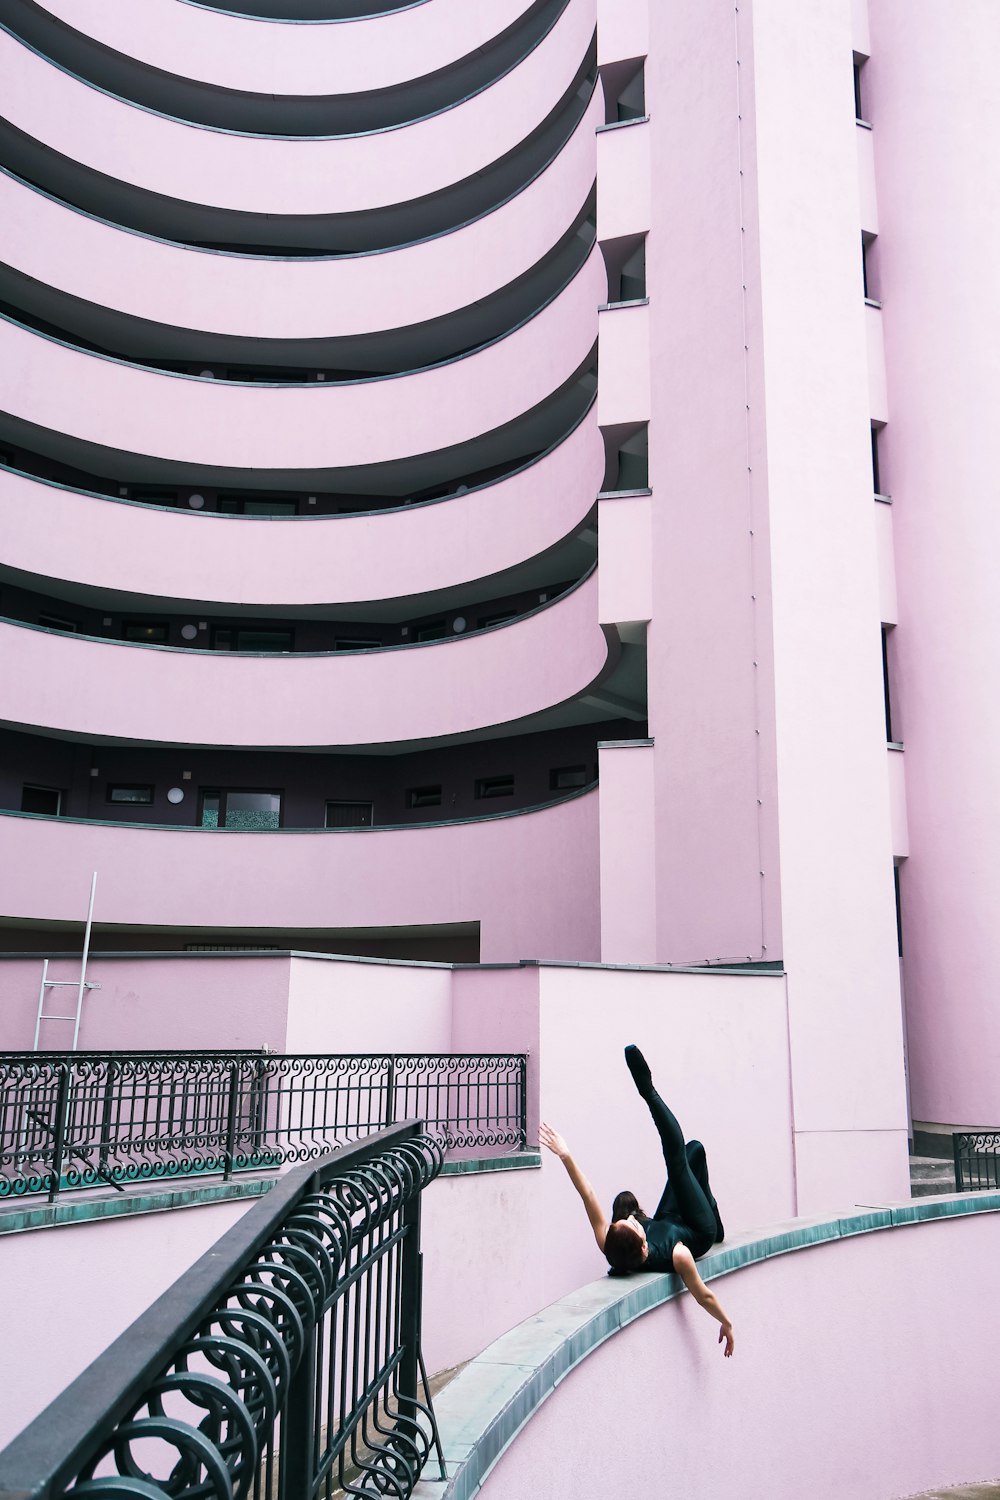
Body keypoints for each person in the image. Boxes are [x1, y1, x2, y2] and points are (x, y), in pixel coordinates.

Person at [540, 1044, 735, 1357]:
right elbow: (703, 1296)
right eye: (633, 1224)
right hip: (699, 1229)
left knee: (694, 1150)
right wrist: (726, 1323)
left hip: (669, 1219)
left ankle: (709, 1202)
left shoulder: (611, 1243)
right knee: (678, 1157)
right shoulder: (680, 1256)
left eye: (624, 1221)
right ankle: (649, 1092)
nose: (632, 1218)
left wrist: (566, 1155)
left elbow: (587, 1192)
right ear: (644, 1248)